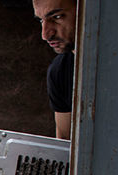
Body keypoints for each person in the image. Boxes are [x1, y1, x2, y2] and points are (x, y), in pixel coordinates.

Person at [33, 0, 78, 139]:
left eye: (57, 17)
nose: (46, 35)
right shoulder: (60, 71)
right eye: (41, 21)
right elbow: (65, 143)